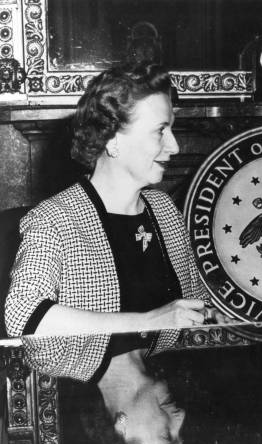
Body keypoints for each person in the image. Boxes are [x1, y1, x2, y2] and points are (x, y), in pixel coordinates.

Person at [4, 61, 224, 381]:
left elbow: (199, 308)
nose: (174, 146)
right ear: (113, 140)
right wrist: (149, 320)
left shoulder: (164, 211)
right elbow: (23, 316)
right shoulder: (54, 219)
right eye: (161, 130)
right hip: (85, 404)